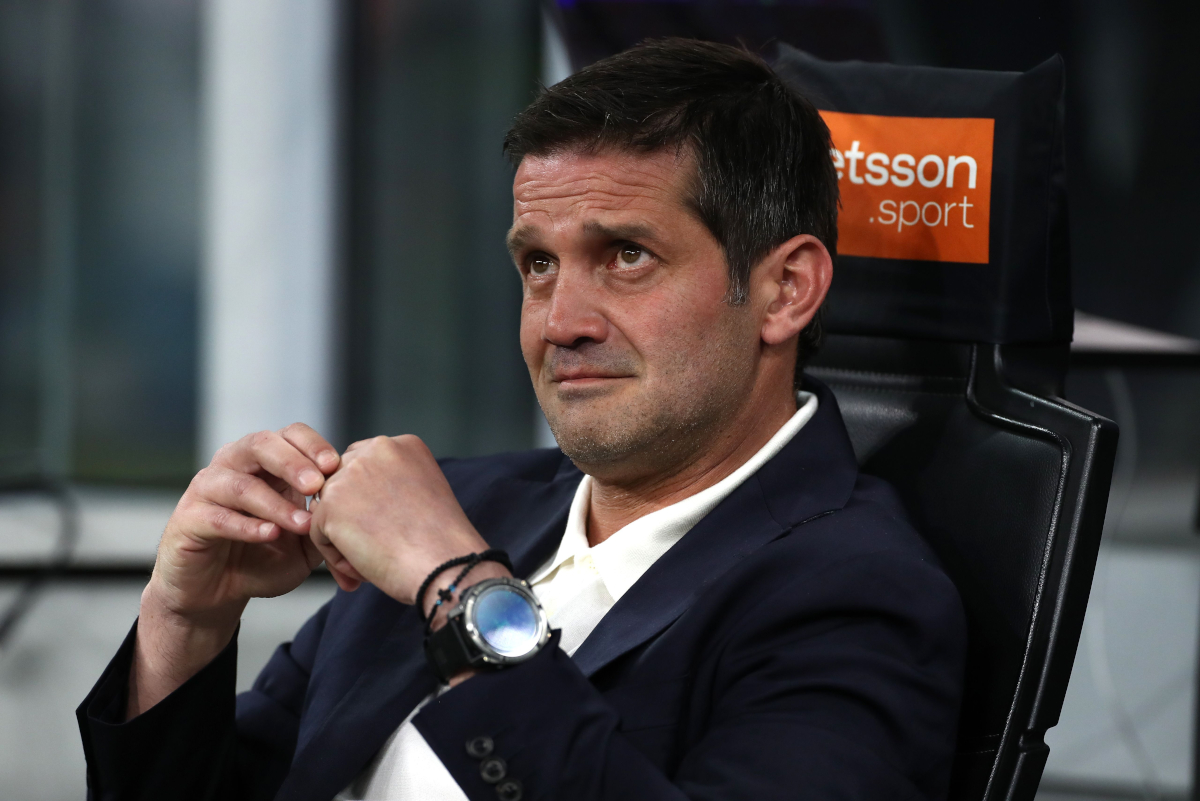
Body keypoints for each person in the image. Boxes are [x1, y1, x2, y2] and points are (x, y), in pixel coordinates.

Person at [77, 38, 966, 801]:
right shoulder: (461, 502)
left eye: (626, 255)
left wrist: (458, 591)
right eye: (538, 264)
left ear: (785, 289)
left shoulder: (857, 592)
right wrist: (186, 626)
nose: (560, 321)